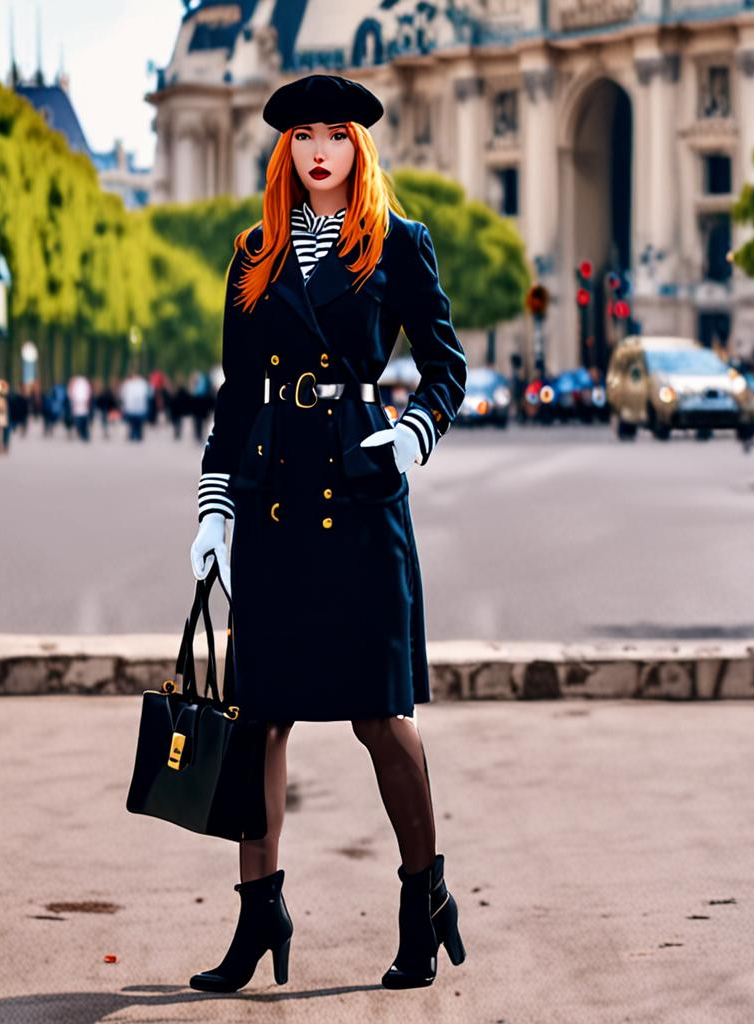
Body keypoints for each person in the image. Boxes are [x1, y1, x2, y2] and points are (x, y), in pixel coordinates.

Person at [187, 73, 468, 993]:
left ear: (359, 147)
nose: (318, 150)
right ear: (285, 149)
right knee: (258, 717)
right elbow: (234, 396)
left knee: (379, 715)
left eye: (335, 135)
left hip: (359, 489)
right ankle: (259, 913)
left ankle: (422, 896)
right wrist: (214, 507)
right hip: (272, 499)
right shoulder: (254, 252)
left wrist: (414, 439)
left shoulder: (398, 241)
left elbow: (444, 367)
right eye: (303, 135)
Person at [119, 370, 150, 441]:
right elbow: (148, 395)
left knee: (134, 424)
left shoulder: (129, 384)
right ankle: (136, 435)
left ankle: (134, 435)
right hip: (137, 408)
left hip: (133, 408)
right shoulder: (142, 383)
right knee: (136, 424)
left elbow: (122, 395)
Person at [67, 373, 92, 442]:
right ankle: (83, 435)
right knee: (80, 422)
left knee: (82, 422)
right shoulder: (79, 384)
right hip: (78, 407)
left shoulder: (81, 384)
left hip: (81, 407)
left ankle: (85, 435)